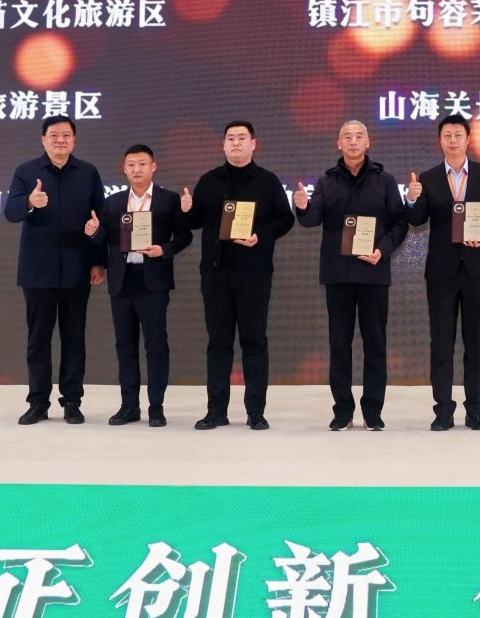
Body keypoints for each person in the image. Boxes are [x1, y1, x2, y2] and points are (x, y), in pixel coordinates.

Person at [294, 120, 409, 431]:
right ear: (338, 143)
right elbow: (311, 220)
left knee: (376, 344)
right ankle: (343, 411)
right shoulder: (326, 182)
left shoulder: (385, 180)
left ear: (368, 142)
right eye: (348, 136)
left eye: (359, 136)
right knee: (339, 344)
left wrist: (382, 250)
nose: (353, 141)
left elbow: (400, 223)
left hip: (373, 271)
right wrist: (302, 207)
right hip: (338, 274)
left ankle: (373, 411)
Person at [181, 120, 295, 430]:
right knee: (218, 343)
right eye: (230, 138)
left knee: (254, 341)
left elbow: (285, 219)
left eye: (241, 138)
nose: (235, 143)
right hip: (215, 274)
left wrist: (261, 235)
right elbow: (193, 222)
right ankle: (216, 411)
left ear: (253, 144)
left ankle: (255, 412)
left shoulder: (268, 181)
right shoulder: (209, 181)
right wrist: (186, 209)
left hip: (254, 273)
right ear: (223, 145)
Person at [2, 115, 106, 425]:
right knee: (38, 339)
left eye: (66, 135)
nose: (60, 140)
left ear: (74, 140)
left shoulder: (88, 173)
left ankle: (72, 401)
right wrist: (30, 202)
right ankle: (38, 402)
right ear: (43, 140)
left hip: (78, 267)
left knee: (74, 339)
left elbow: (99, 220)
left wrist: (98, 261)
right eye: (54, 135)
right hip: (38, 270)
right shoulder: (26, 172)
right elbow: (10, 212)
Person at [405, 114, 480, 430]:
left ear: (468, 139)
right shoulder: (428, 178)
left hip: (478, 269)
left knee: (476, 344)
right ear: (440, 140)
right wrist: (412, 199)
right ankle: (443, 411)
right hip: (442, 272)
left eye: (458, 135)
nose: (452, 140)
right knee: (441, 344)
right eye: (447, 135)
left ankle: (475, 410)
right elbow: (417, 220)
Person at [87, 144, 192, 427]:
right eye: (131, 164)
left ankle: (156, 407)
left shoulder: (169, 200)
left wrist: (164, 250)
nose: (136, 169)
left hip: (153, 280)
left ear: (153, 167)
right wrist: (94, 232)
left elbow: (184, 237)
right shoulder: (113, 202)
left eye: (142, 164)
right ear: (124, 169)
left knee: (156, 345)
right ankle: (129, 406)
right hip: (122, 281)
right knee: (125, 345)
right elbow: (104, 239)